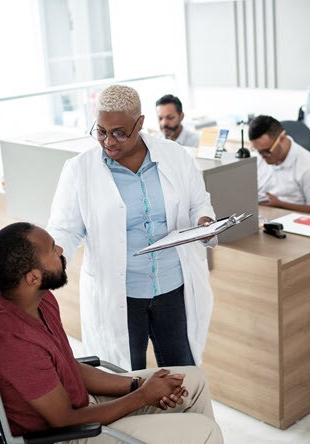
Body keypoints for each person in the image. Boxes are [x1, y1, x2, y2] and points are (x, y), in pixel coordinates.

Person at [0, 222, 223, 443]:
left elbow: (69, 367)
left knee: (194, 382)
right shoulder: (14, 343)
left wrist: (137, 385)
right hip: (66, 436)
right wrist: (143, 397)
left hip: (84, 405)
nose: (60, 251)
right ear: (33, 278)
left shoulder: (40, 300)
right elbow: (64, 420)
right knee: (205, 431)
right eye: (52, 250)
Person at [47, 84, 216, 371]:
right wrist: (51, 257)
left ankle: (182, 418)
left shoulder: (175, 155)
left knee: (182, 372)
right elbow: (65, 228)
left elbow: (199, 203)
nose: (109, 141)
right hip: (121, 293)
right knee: (126, 377)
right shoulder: (80, 169)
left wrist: (204, 222)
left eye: (119, 133)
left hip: (172, 286)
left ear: (140, 124)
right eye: (101, 131)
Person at [248, 115, 310, 216]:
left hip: (295, 221)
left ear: (282, 138)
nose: (263, 156)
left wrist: (280, 204)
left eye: (267, 151)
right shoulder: (257, 158)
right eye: (258, 151)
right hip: (262, 217)